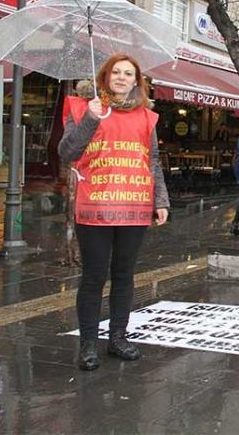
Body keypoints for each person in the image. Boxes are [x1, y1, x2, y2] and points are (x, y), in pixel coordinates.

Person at [58, 53, 170, 371]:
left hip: (134, 207)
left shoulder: (146, 116)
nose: (121, 78)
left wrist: (160, 201)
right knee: (94, 276)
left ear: (137, 81)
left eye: (128, 73)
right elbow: (67, 152)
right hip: (95, 207)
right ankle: (89, 344)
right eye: (115, 72)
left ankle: (118, 338)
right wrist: (91, 119)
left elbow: (153, 161)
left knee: (124, 275)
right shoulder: (83, 109)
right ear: (105, 77)